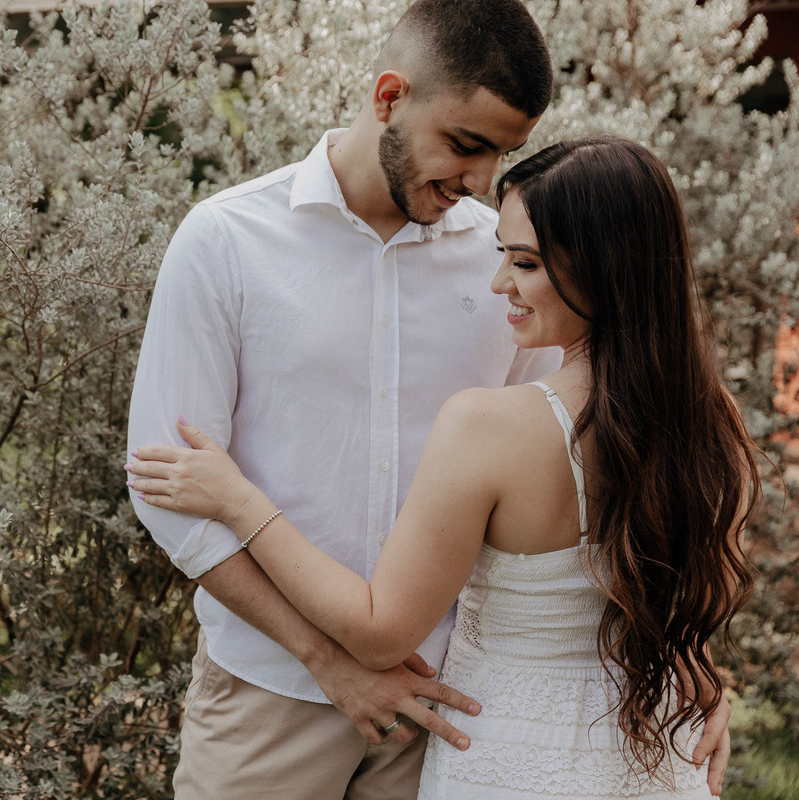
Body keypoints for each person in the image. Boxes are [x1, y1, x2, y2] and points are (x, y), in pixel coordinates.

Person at [127, 135, 760, 799]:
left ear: (605, 268)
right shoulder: (711, 425)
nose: (498, 284)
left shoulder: (489, 427)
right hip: (648, 747)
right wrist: (701, 680)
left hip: (500, 753)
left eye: (525, 262)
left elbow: (378, 633)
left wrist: (237, 500)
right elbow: (677, 587)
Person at [129, 1, 561, 796]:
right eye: (466, 145)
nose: (479, 181)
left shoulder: (505, 265)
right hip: (268, 696)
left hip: (448, 702)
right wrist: (330, 663)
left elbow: (558, 466)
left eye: (502, 154)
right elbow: (168, 493)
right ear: (390, 97)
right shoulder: (224, 241)